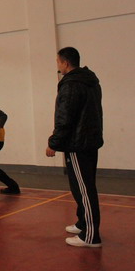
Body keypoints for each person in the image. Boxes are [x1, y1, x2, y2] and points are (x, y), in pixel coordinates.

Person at [46, 47, 103, 248]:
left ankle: (91, 236)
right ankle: (82, 223)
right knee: (82, 186)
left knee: (84, 190)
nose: (58, 65)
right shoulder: (90, 81)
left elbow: (65, 118)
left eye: (58, 62)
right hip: (89, 141)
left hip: (78, 144)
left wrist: (53, 142)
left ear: (65, 63)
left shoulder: (71, 85)